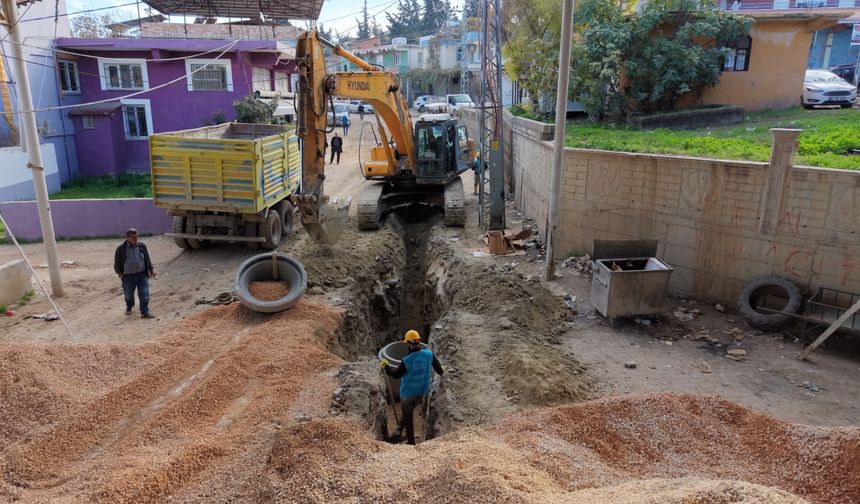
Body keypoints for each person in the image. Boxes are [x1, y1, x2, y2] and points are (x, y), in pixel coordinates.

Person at [381, 330, 444, 445]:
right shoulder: (429, 354)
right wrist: (443, 372)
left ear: (409, 344)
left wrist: (386, 367)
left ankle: (411, 442)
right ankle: (399, 430)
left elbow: (395, 374)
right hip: (421, 392)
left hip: (407, 394)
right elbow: (439, 368)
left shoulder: (406, 360)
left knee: (408, 419)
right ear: (419, 342)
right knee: (407, 414)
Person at [113, 228, 156, 318]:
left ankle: (144, 312)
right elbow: (116, 263)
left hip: (142, 275)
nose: (136, 238)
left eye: (137, 236)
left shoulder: (142, 246)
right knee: (129, 296)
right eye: (133, 237)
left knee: (144, 294)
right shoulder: (121, 249)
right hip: (127, 277)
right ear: (128, 237)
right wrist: (120, 273)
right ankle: (129, 306)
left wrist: (151, 269)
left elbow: (147, 258)